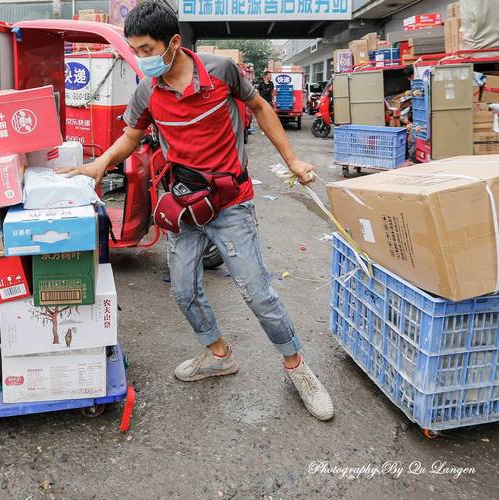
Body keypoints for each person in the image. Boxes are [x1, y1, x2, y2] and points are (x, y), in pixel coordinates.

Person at [58, 1, 333, 421]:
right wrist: (98, 166)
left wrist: (293, 159)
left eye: (147, 49)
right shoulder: (147, 91)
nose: (142, 58)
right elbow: (131, 137)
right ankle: (219, 354)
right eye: (135, 50)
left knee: (257, 291)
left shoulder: (222, 71)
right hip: (183, 206)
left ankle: (297, 367)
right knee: (184, 289)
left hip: (230, 203)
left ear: (173, 43)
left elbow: (259, 108)